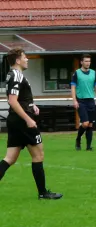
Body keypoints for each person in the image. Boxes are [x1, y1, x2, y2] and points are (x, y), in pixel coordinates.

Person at [0, 48, 62, 199]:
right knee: (38, 155)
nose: (27, 59)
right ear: (17, 60)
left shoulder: (15, 75)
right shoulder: (16, 75)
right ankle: (43, 193)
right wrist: (28, 119)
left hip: (15, 119)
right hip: (22, 121)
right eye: (25, 57)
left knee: (10, 158)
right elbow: (12, 101)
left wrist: (31, 105)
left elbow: (19, 99)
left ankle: (43, 192)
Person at [71, 53, 96, 151]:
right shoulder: (77, 73)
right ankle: (78, 139)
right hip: (81, 101)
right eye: (86, 61)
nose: (88, 63)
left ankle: (88, 147)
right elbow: (73, 87)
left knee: (90, 124)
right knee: (85, 123)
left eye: (89, 61)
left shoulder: (93, 73)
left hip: (91, 101)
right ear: (81, 62)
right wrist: (74, 100)